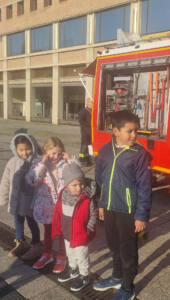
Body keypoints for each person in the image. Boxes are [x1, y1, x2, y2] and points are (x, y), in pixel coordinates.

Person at [93, 110, 152, 300]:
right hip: (109, 208)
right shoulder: (105, 150)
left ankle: (127, 287)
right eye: (130, 131)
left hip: (128, 211)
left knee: (127, 250)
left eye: (136, 131)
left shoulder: (139, 154)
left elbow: (144, 187)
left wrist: (141, 215)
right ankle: (117, 277)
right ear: (116, 131)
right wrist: (101, 204)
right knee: (113, 247)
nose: (134, 135)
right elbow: (100, 178)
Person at [26, 136, 75, 272]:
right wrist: (41, 164)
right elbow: (31, 181)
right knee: (48, 231)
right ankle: (47, 254)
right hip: (46, 205)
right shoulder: (38, 163)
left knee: (62, 232)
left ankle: (61, 256)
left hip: (63, 205)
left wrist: (70, 161)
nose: (56, 156)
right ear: (45, 151)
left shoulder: (65, 163)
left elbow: (78, 177)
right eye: (52, 153)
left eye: (59, 153)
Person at [52, 162, 97, 292]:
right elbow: (58, 211)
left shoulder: (87, 198)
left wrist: (88, 229)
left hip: (81, 234)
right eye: (74, 185)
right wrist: (58, 226)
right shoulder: (63, 195)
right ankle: (73, 270)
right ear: (67, 184)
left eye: (81, 184)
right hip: (67, 234)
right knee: (70, 254)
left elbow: (93, 214)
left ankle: (84, 275)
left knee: (82, 256)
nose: (79, 187)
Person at [0, 128, 41, 259]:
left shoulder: (36, 162)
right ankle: (20, 242)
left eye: (27, 149)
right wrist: (3, 197)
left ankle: (36, 245)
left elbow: (42, 183)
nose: (25, 152)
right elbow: (6, 180)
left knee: (32, 222)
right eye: (21, 150)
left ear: (33, 147)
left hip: (30, 202)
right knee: (17, 220)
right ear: (15, 149)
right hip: (16, 200)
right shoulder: (12, 162)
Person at [78, 98, 93, 167]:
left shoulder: (93, 111)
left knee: (89, 147)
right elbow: (81, 122)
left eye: (92, 103)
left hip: (91, 133)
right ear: (87, 103)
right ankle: (81, 159)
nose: (92, 104)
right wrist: (89, 126)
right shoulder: (83, 112)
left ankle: (88, 160)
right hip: (85, 133)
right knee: (84, 147)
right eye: (90, 103)